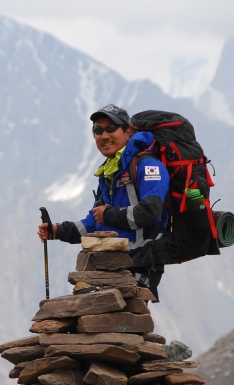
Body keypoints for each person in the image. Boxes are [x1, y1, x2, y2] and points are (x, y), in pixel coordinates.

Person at [37, 104, 169, 299]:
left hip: (142, 260)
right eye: (98, 130)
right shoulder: (109, 172)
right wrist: (57, 231)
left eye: (110, 128)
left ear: (127, 131)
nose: (104, 135)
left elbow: (151, 211)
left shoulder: (148, 166)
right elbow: (94, 223)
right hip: (113, 261)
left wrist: (108, 214)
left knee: (125, 321)